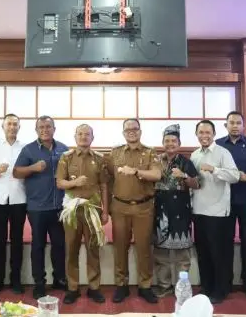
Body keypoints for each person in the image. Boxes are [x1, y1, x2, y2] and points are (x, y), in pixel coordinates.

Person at [106, 118, 162, 304]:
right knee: (120, 247)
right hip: (119, 207)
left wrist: (136, 171)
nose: (131, 131)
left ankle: (145, 286)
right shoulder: (114, 153)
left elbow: (157, 175)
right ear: (123, 133)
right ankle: (121, 285)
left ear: (140, 131)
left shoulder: (150, 152)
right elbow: (108, 179)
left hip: (143, 207)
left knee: (144, 247)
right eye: (128, 129)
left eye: (135, 128)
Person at [13, 115, 68, 299]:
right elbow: (16, 172)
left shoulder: (63, 149)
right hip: (37, 207)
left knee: (59, 245)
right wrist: (32, 168)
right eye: (41, 127)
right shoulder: (28, 149)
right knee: (38, 245)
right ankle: (39, 283)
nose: (45, 130)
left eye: (48, 127)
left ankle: (59, 278)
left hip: (59, 206)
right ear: (36, 130)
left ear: (54, 129)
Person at [56, 124, 109, 304]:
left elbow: (104, 186)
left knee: (93, 249)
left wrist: (105, 211)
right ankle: (72, 288)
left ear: (92, 138)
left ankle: (94, 287)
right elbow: (60, 183)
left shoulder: (99, 159)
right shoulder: (66, 157)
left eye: (87, 134)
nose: (84, 137)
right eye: (80, 134)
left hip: (92, 210)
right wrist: (75, 183)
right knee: (71, 249)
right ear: (75, 137)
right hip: (71, 210)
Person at [190, 119, 240, 304]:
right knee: (203, 252)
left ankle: (221, 289)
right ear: (196, 135)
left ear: (214, 134)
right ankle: (206, 287)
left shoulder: (222, 152)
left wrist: (214, 169)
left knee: (219, 253)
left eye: (207, 132)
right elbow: (194, 181)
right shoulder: (195, 154)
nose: (204, 136)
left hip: (218, 212)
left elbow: (235, 176)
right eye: (201, 132)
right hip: (198, 209)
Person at [217, 111, 246, 296]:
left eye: (238, 123)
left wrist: (243, 177)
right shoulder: (218, 144)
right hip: (223, 200)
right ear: (225, 125)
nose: (235, 126)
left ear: (244, 125)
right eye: (231, 122)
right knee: (225, 240)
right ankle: (226, 280)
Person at [152, 124, 199, 298]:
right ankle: (164, 286)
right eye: (167, 140)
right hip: (160, 212)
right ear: (162, 142)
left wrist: (184, 176)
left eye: (173, 141)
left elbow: (197, 184)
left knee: (182, 256)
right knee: (160, 253)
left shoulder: (186, 162)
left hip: (181, 211)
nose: (170, 144)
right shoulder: (155, 161)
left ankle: (182, 287)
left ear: (179, 144)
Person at [0, 114, 27, 295]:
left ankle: (16, 279)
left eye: (15, 124)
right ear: (2, 126)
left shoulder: (25, 147)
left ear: (19, 127)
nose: (12, 127)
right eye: (9, 124)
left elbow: (28, 171)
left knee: (17, 240)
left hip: (19, 198)